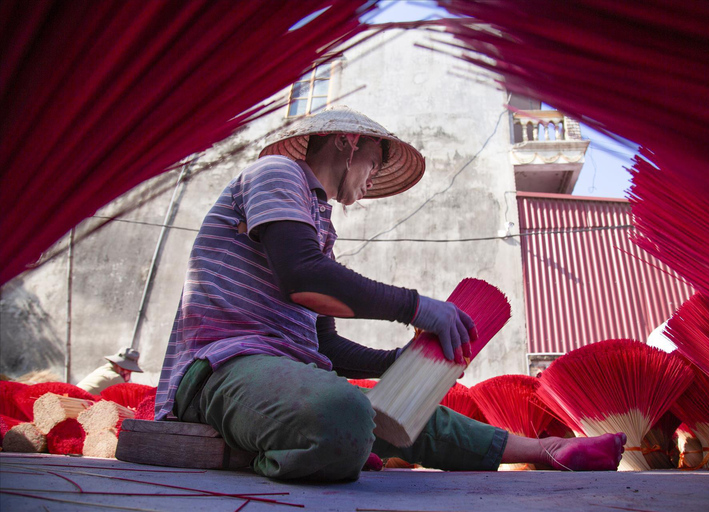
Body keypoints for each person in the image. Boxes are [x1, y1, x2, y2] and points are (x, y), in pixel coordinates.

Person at [155, 106, 625, 480]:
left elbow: (325, 347)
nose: (373, 178)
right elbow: (303, 277)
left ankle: (548, 450)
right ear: (348, 141)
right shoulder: (277, 172)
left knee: (392, 411)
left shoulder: (318, 226)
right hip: (221, 370)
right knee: (345, 414)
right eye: (375, 163)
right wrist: (419, 309)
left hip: (284, 375)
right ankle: (267, 454)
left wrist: (395, 363)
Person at [77, 347, 143, 394]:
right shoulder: (115, 378)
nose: (127, 374)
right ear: (118, 365)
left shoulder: (102, 369)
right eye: (126, 370)